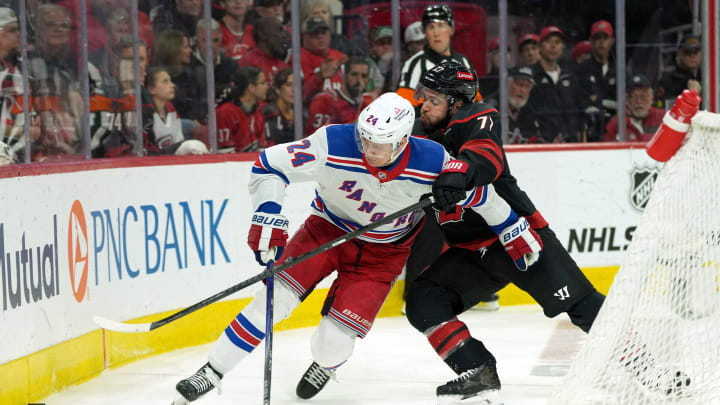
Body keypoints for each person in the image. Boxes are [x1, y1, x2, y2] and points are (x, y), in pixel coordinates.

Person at [172, 92, 539, 403]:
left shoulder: (432, 161)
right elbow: (269, 164)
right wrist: (267, 209)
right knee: (273, 300)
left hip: (382, 255)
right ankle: (212, 371)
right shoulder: (334, 141)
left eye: (377, 144)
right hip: (325, 231)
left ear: (400, 141)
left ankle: (326, 365)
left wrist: (511, 228)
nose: (367, 148)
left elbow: (481, 194)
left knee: (332, 342)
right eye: (364, 138)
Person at [406, 61, 605, 404]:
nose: (425, 104)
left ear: (456, 102)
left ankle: (645, 363)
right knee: (424, 300)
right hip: (472, 252)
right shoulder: (419, 134)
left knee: (584, 307)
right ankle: (478, 370)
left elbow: (487, 154)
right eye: (425, 96)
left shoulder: (475, 116)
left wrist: (460, 172)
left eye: (434, 98)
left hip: (519, 239)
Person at [396, 4, 474, 107]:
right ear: (425, 32)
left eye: (441, 25)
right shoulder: (414, 64)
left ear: (451, 29)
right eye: (431, 27)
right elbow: (403, 109)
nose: (436, 33)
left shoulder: (464, 62)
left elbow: (475, 102)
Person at [526, 25, 586, 142]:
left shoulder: (571, 77)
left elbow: (579, 114)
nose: (553, 46)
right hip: (542, 147)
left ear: (562, 47)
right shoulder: (530, 77)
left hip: (571, 145)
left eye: (557, 42)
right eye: (548, 42)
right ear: (540, 46)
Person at [573, 20, 617, 141]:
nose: (601, 42)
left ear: (612, 41)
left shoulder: (621, 71)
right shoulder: (580, 71)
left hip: (616, 133)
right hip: (589, 134)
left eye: (605, 38)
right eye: (597, 38)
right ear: (591, 41)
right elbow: (578, 102)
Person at [305, 57, 371, 135]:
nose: (359, 80)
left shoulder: (365, 105)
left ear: (368, 81)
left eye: (364, 76)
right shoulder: (325, 100)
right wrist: (354, 126)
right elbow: (317, 137)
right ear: (344, 76)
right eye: (354, 74)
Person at [214, 66, 268, 152]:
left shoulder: (259, 110)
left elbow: (262, 148)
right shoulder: (226, 112)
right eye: (263, 83)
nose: (267, 86)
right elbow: (225, 154)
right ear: (251, 88)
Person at [485, 65, 542, 144]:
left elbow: (535, 137)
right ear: (507, 84)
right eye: (519, 84)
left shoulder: (529, 110)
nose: (522, 90)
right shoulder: (490, 108)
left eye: (527, 86)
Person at [604, 74, 664, 142]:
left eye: (643, 96)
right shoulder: (616, 124)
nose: (638, 101)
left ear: (651, 98)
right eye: (633, 97)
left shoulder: (663, 118)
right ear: (627, 100)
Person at [300, 15, 346, 102]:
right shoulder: (297, 59)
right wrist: (319, 77)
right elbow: (299, 96)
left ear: (329, 35)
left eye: (323, 32)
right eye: (315, 33)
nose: (320, 36)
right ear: (304, 37)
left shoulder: (340, 57)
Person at [237, 16, 290, 84]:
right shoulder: (249, 63)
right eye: (279, 30)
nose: (285, 35)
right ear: (262, 34)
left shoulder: (283, 64)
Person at [656, 34, 702, 108]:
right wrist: (690, 95)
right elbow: (664, 108)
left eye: (696, 52)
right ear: (679, 53)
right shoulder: (667, 80)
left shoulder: (709, 78)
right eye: (688, 52)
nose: (692, 55)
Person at [262, 67, 295, 145]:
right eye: (289, 85)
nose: (294, 89)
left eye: (297, 85)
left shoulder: (300, 115)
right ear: (278, 88)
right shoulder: (270, 113)